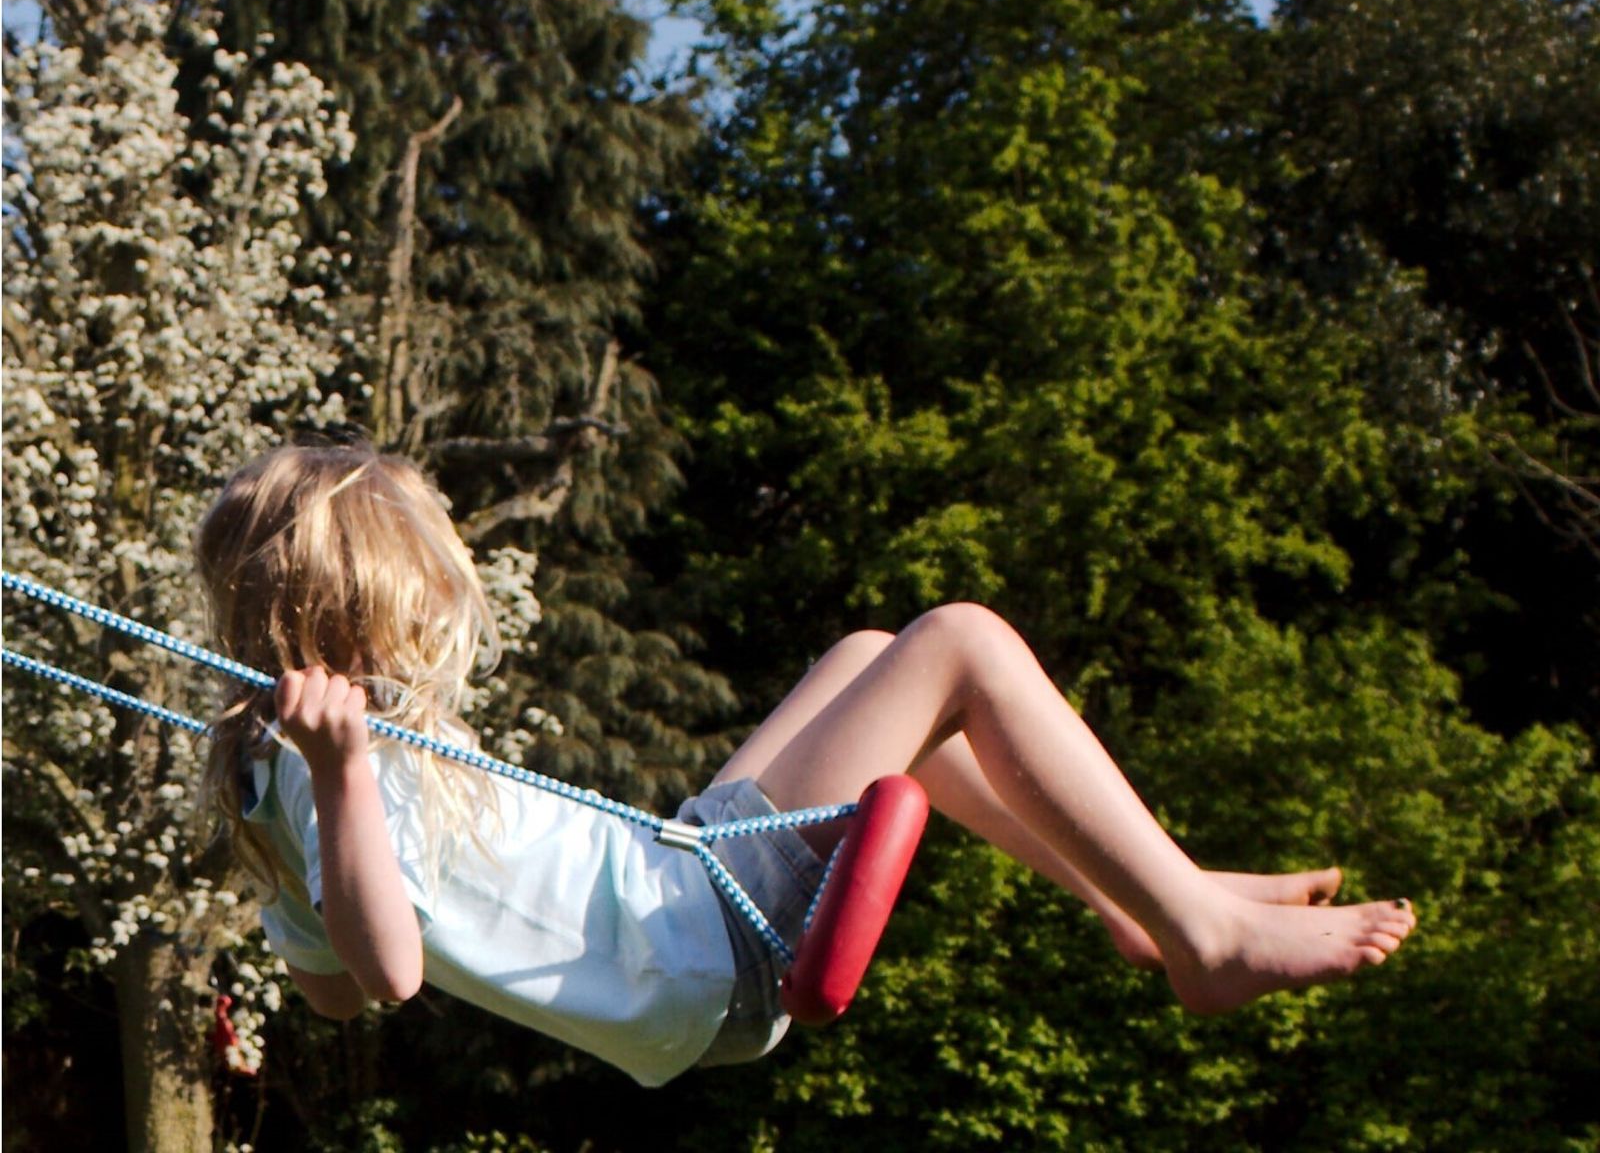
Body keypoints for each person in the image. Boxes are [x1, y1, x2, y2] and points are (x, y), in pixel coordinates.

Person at [197, 443, 1416, 1087]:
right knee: (962, 645)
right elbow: (393, 972)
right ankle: (1196, 935)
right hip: (696, 943)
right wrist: (348, 775)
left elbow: (333, 994)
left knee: (877, 659)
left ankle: (1146, 905)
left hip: (680, 889)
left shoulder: (280, 768)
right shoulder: (331, 761)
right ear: (367, 602)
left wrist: (335, 788)